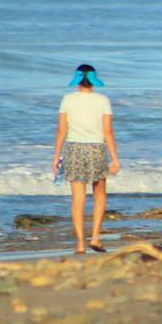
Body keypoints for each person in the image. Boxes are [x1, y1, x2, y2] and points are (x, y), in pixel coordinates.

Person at [53, 64, 120, 254]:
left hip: (74, 148)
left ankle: (81, 244)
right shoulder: (103, 100)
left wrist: (56, 157)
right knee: (99, 195)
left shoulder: (68, 99)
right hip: (97, 149)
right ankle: (96, 238)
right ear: (93, 80)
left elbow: (61, 130)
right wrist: (114, 158)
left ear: (77, 80)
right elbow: (107, 131)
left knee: (78, 199)